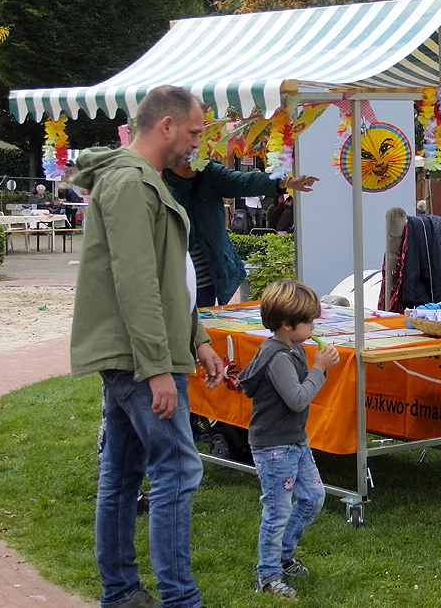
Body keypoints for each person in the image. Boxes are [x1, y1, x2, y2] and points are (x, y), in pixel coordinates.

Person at [70, 85, 225, 608]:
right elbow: (135, 283)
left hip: (138, 354)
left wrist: (198, 339)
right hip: (139, 359)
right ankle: (180, 600)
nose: (196, 143)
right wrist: (158, 367)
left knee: (122, 472)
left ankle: (121, 593)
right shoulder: (131, 184)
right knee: (178, 469)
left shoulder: (139, 179)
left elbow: (167, 277)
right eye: (195, 132)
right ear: (166, 126)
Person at [236, 279, 340, 598]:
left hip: (294, 440)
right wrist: (319, 370)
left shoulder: (291, 347)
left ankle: (283, 555)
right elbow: (297, 399)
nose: (313, 326)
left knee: (312, 498)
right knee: (278, 510)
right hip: (274, 448)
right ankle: (267, 576)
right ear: (286, 324)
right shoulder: (278, 356)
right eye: (309, 321)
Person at [164, 149, 319, 307]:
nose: (191, 163)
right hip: (166, 277)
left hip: (203, 280)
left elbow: (245, 181)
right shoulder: (155, 179)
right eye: (184, 158)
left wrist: (284, 182)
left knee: (200, 326)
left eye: (196, 157)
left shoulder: (209, 174)